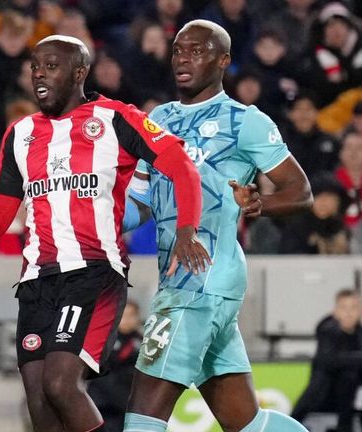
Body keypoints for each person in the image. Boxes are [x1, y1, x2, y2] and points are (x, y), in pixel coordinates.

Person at [0, 34, 209, 432]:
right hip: (36, 283)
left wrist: (187, 229)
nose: (39, 75)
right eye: (35, 67)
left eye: (51, 66)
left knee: (60, 384)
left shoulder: (116, 118)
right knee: (39, 402)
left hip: (93, 274)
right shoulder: (20, 134)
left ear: (80, 72)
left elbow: (180, 165)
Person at [124, 20, 312, 432]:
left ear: (223, 60)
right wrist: (90, 218)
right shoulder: (159, 118)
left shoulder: (246, 121)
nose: (183, 59)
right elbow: (139, 203)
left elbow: (300, 191)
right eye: (177, 50)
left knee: (143, 411)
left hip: (203, 279)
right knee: (246, 422)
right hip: (179, 280)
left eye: (197, 51)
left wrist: (260, 203)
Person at [291, 289, 362, 432]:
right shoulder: (327, 331)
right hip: (325, 394)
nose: (349, 313)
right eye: (344, 308)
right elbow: (333, 359)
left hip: (355, 393)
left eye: (354, 308)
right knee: (348, 372)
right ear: (335, 311)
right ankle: (344, 426)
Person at [88, 300, 143, 432]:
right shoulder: (104, 339)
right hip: (100, 400)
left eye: (131, 315)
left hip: (126, 403)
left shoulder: (144, 342)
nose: (127, 320)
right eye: (124, 315)